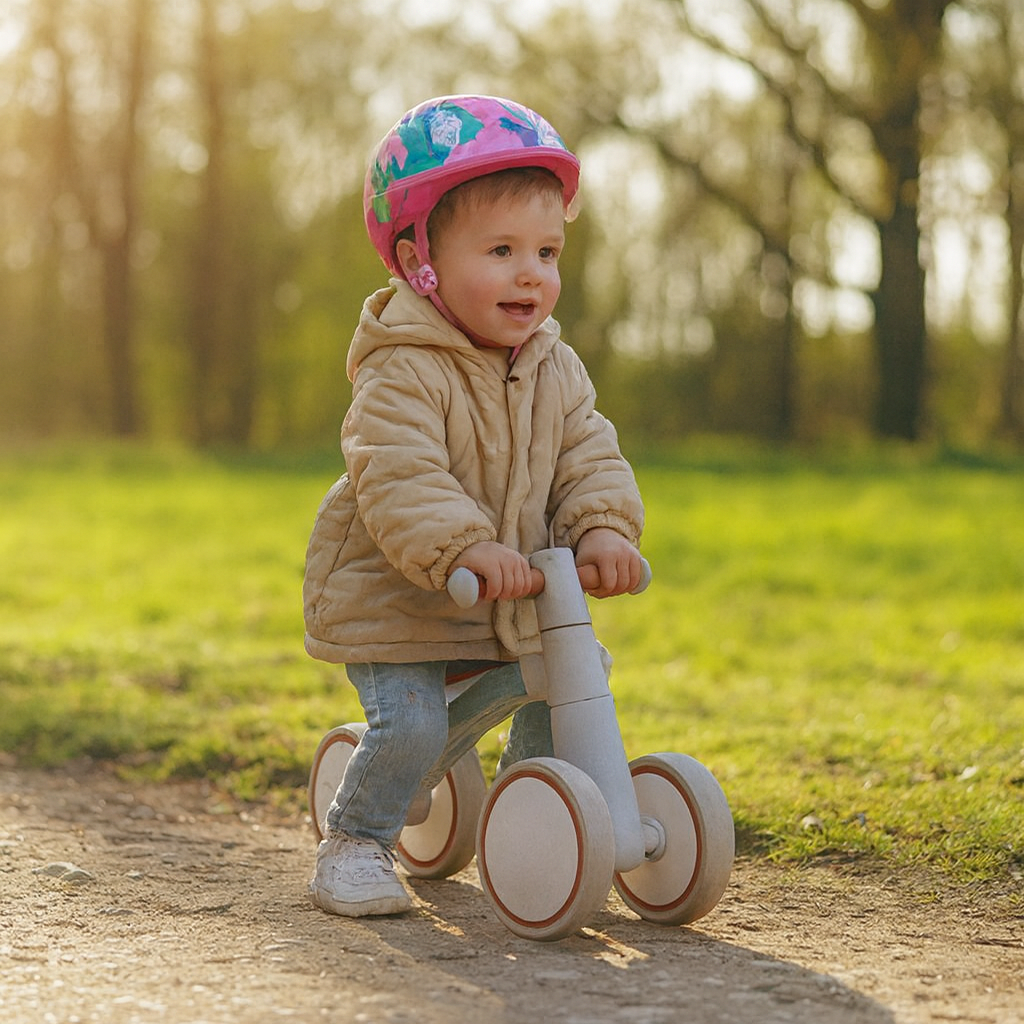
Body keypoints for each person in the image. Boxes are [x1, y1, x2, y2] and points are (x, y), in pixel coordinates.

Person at [303, 94, 645, 917]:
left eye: (547, 251)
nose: (533, 272)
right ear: (421, 260)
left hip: (505, 602)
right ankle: (355, 840)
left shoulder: (553, 367)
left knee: (565, 684)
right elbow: (398, 471)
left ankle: (543, 821)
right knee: (416, 726)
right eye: (501, 249)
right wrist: (460, 546)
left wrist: (601, 524)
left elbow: (587, 451)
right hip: (399, 599)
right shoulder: (402, 367)